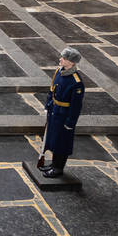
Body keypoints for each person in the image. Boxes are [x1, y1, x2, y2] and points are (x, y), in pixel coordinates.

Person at [38, 47, 84, 178]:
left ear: (71, 62)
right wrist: (48, 104)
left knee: (62, 143)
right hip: (55, 112)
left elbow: (76, 106)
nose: (60, 59)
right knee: (53, 140)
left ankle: (58, 168)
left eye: (63, 58)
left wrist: (70, 122)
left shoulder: (76, 82)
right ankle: (53, 164)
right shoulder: (59, 71)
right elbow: (52, 90)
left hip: (64, 116)